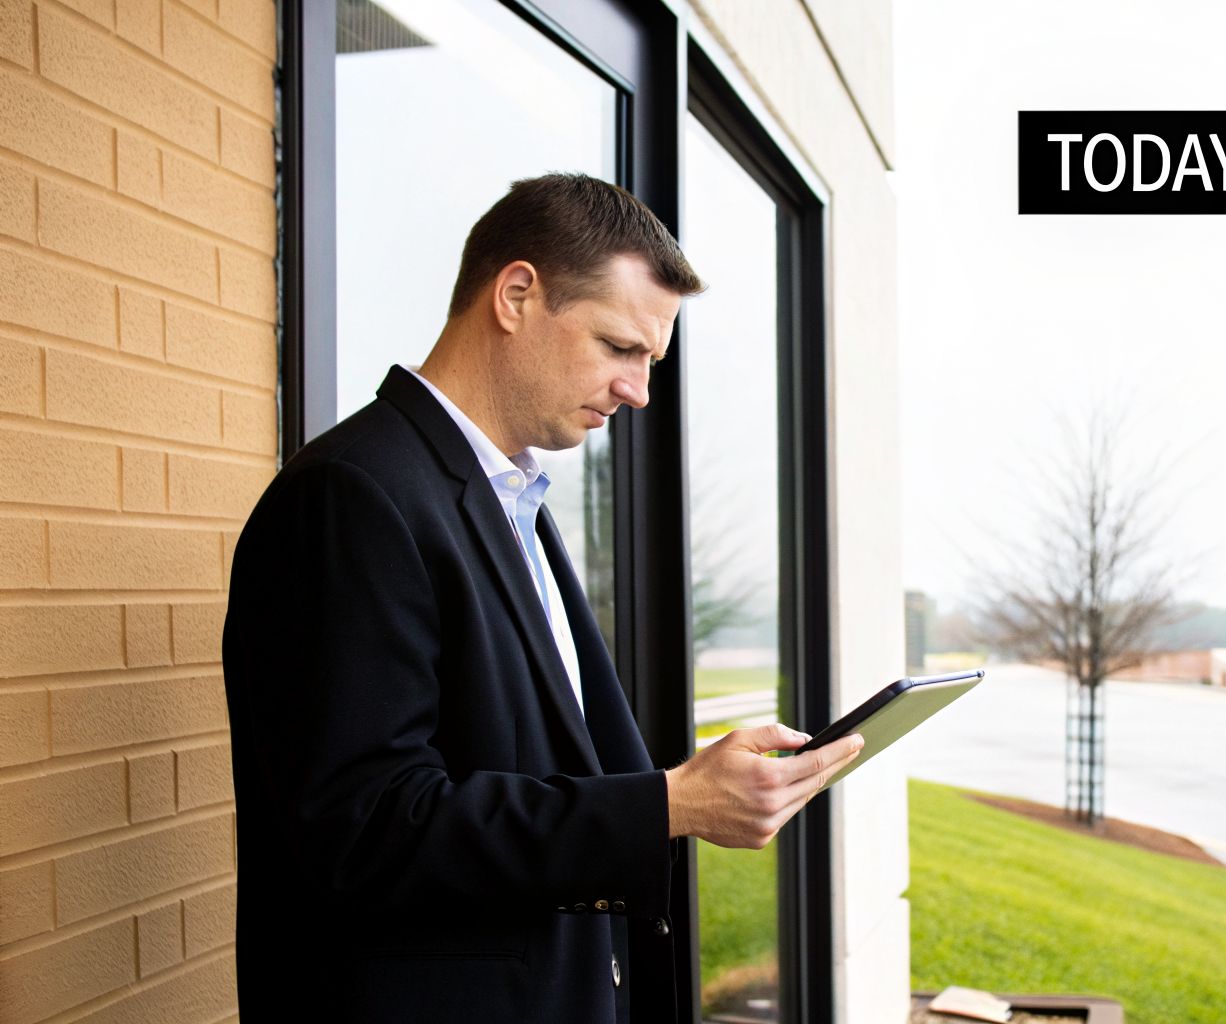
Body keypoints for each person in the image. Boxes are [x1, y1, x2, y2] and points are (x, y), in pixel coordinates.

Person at [222, 174, 863, 1023]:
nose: (638, 390)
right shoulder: (353, 495)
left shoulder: (509, 500)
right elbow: (364, 827)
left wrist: (692, 790)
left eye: (651, 362)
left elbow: (535, 762)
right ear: (517, 295)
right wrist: (671, 802)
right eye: (619, 347)